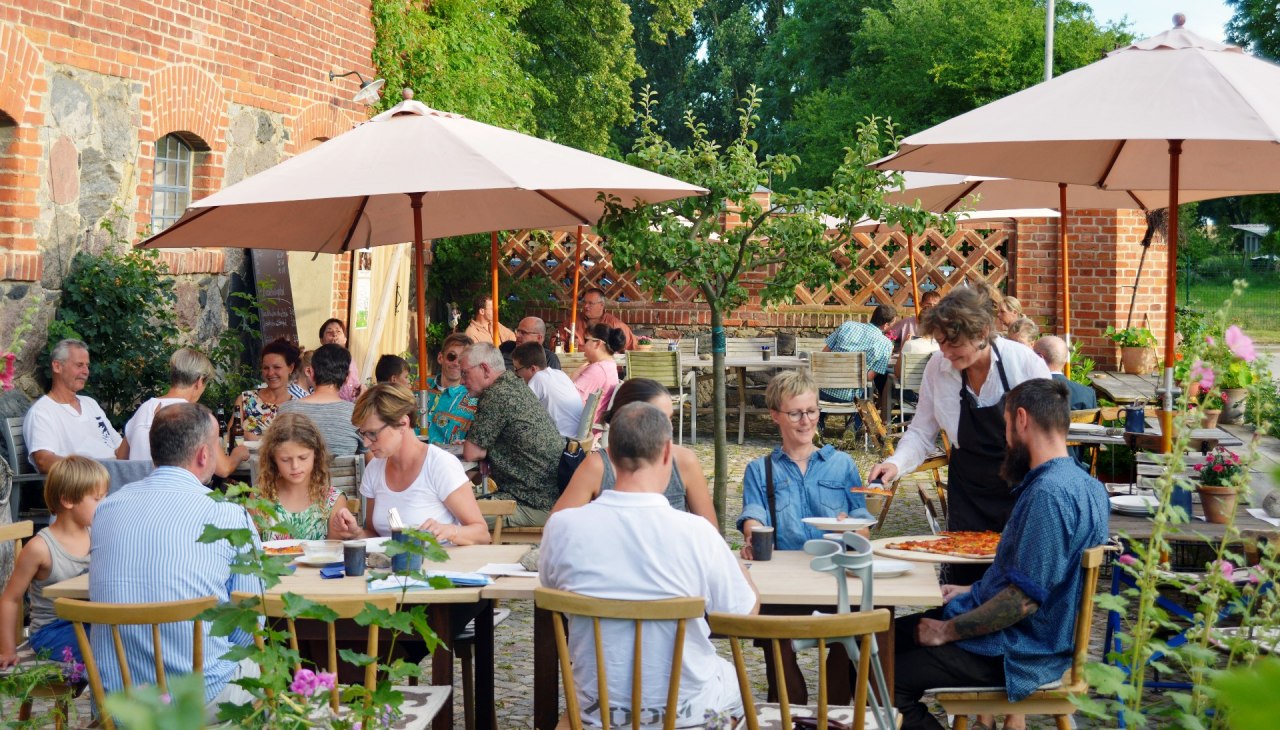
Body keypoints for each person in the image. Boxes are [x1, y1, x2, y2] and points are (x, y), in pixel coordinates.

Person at [893, 378, 1109, 730]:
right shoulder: (1087, 485)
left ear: (1021, 419)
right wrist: (972, 592)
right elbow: (1039, 577)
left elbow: (1022, 602)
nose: (1005, 439)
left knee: (878, 670)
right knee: (879, 638)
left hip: (1016, 651)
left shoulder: (1049, 495)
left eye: (1007, 426)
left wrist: (946, 631)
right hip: (1031, 641)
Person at [540, 402, 759, 727]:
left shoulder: (562, 528)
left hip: (598, 713)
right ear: (668, 454)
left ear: (609, 455)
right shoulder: (697, 533)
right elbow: (743, 614)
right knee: (737, 690)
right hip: (688, 715)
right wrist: (732, 559)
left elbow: (551, 588)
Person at [867, 286, 1050, 584]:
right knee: (962, 583)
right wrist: (896, 464)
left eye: (954, 343)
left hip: (1020, 488)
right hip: (969, 490)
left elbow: (1049, 437)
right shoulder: (937, 369)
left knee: (1013, 581)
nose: (945, 352)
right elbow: (921, 431)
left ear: (982, 333)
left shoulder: (1023, 364)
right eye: (940, 342)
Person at [90, 403, 262, 718]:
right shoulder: (228, 515)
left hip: (117, 701)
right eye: (216, 446)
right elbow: (249, 629)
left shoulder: (107, 510)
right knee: (275, 668)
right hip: (199, 699)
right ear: (202, 455)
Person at [328, 384, 489, 545]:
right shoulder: (374, 468)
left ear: (403, 423)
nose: (366, 442)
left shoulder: (439, 464)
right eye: (362, 433)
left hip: (438, 565)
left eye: (372, 433)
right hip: (391, 567)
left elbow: (482, 534)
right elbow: (377, 536)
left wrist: (450, 531)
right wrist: (356, 533)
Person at [737, 369, 874, 555]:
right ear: (775, 415)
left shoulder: (842, 465)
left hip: (834, 564)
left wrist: (852, 530)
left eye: (811, 411)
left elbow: (862, 522)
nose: (806, 421)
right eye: (795, 413)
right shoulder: (760, 470)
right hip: (786, 570)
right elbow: (753, 517)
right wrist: (753, 537)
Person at [553, 378, 718, 528]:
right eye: (658, 418)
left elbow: (710, 533)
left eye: (670, 418)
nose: (670, 427)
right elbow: (558, 526)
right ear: (628, 418)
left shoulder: (684, 461)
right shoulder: (598, 466)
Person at [0, 456, 108, 667]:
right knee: (112, 644)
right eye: (97, 499)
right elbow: (10, 599)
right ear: (68, 500)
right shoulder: (40, 548)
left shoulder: (98, 534)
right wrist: (7, 650)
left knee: (128, 631)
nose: (104, 504)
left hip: (89, 621)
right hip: (52, 631)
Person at [460, 342, 564, 528]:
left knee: (454, 514)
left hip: (532, 504)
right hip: (551, 498)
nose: (461, 381)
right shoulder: (514, 384)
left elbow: (471, 453)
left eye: (465, 373)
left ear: (484, 369)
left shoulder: (496, 394)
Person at [125, 348, 250, 476]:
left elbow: (121, 455)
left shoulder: (145, 408)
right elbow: (224, 469)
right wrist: (238, 454)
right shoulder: (197, 416)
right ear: (199, 381)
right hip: (176, 492)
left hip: (137, 489)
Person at [23, 338, 128, 473]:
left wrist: (137, 429)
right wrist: (91, 471)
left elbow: (119, 449)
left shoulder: (90, 403)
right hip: (83, 486)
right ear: (57, 366)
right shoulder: (42, 411)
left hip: (115, 476)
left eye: (87, 366)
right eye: (79, 365)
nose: (86, 371)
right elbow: (43, 461)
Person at [255, 412, 347, 541]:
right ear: (273, 459)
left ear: (316, 454)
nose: (295, 466)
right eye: (285, 460)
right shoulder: (260, 497)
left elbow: (336, 552)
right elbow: (251, 550)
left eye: (303, 457)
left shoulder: (332, 500)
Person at [279, 344, 363, 457]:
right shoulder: (356, 413)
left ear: (311, 372)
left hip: (301, 473)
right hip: (342, 474)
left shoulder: (286, 410)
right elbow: (369, 459)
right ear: (346, 378)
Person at [822, 303, 896, 402]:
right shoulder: (885, 344)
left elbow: (824, 354)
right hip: (849, 397)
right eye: (893, 324)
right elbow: (869, 377)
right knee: (869, 392)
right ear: (886, 325)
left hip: (822, 390)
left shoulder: (847, 326)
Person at [236, 338, 308, 439]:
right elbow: (231, 435)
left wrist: (258, 439)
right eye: (266, 368)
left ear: (290, 368)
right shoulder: (246, 399)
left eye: (277, 367)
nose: (270, 373)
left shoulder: (298, 406)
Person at [512, 342, 583, 439]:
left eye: (517, 369)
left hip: (562, 440)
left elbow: (519, 411)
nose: (516, 374)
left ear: (533, 368)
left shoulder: (538, 378)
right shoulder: (559, 373)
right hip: (575, 436)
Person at [425, 333, 479, 445]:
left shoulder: (475, 400)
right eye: (451, 357)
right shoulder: (419, 385)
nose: (456, 363)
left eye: (461, 359)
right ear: (440, 358)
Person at [570, 323, 625, 426]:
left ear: (597, 343)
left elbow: (570, 400)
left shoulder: (597, 370)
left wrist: (574, 375)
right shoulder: (610, 365)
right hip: (591, 428)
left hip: (581, 431)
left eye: (586, 340)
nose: (582, 343)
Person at [560, 287, 638, 352]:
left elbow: (633, 348)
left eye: (590, 303)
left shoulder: (615, 324)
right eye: (584, 302)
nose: (586, 306)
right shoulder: (572, 322)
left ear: (601, 305)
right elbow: (556, 341)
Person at [1033, 336, 1097, 411]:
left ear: (1039, 358)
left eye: (1031, 355)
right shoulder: (1087, 394)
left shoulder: (1028, 392)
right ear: (1065, 359)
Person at [319, 318, 362, 402]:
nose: (334, 335)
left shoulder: (350, 360)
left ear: (345, 339)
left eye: (338, 331)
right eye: (329, 332)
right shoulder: (319, 361)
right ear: (321, 340)